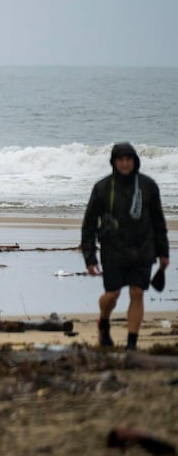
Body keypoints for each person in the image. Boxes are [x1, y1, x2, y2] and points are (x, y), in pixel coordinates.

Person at [81, 142, 169, 350]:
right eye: (120, 159)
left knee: (137, 293)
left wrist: (163, 253)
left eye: (128, 159)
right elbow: (89, 225)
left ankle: (131, 344)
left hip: (143, 249)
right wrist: (90, 257)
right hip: (113, 250)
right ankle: (104, 321)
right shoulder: (102, 188)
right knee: (112, 295)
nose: (125, 163)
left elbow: (158, 221)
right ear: (114, 162)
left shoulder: (148, 186)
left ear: (135, 161)